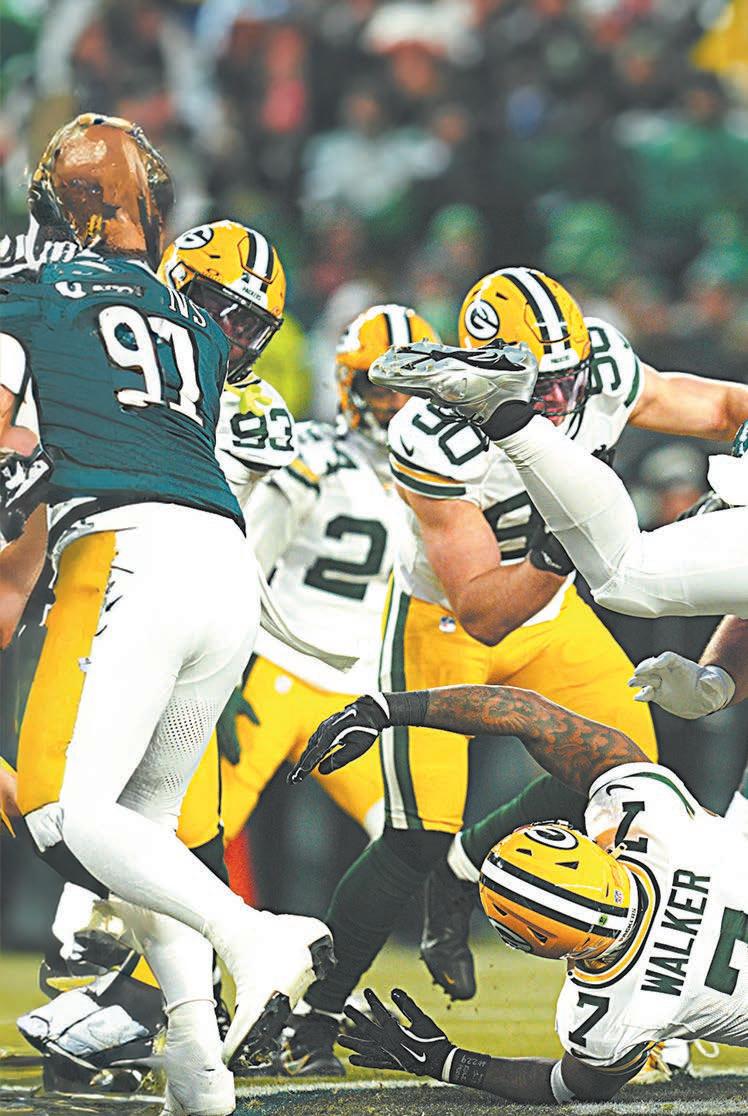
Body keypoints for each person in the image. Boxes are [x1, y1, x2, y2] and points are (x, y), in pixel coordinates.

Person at [0, 115, 332, 1114]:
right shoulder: (190, 318)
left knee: (61, 810)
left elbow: (11, 439)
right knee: (144, 831)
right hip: (225, 565)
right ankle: (196, 1063)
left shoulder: (26, 286)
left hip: (124, 552)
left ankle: (252, 937)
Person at [288, 683, 748, 1105]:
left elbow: (566, 1086)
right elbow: (528, 713)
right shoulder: (653, 815)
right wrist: (386, 709)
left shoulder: (608, 1016)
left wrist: (447, 1061)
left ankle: (668, 1040)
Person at [217, 303, 438, 1075]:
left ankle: (315, 1016)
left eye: (409, 388)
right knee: (193, 835)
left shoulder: (442, 473)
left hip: (360, 694)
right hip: (273, 665)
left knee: (415, 839)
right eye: (380, 386)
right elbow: (240, 558)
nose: (394, 403)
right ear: (348, 386)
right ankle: (179, 999)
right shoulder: (308, 454)